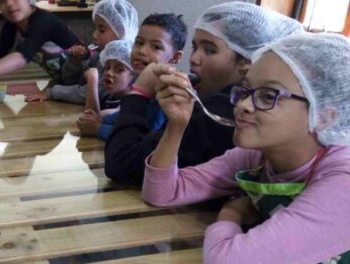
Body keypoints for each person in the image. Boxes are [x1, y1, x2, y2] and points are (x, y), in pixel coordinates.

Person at [144, 32, 350, 264]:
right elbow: (162, 192)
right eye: (245, 90)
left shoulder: (344, 180)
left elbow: (228, 260)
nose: (242, 105)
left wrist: (232, 213)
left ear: (323, 116)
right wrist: (177, 124)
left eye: (268, 95)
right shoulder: (258, 156)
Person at [104, 2, 304, 186]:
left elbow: (121, 164)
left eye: (209, 50)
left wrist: (140, 93)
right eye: (195, 47)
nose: (194, 59)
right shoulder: (209, 99)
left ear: (246, 61)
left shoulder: (221, 110)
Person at [77, 13, 187, 141]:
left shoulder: (167, 94)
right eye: (139, 43)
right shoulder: (143, 84)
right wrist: (102, 120)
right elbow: (126, 115)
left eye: (156, 47)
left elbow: (141, 137)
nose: (142, 51)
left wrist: (98, 128)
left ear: (175, 57)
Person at [24, 0, 139, 104]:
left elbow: (88, 93)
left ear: (122, 31)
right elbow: (71, 82)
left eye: (102, 30)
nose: (94, 35)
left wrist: (52, 93)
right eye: (95, 28)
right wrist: (75, 61)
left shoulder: (121, 63)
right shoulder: (99, 56)